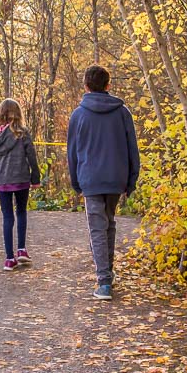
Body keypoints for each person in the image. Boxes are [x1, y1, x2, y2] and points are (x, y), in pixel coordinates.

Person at [67, 65, 140, 300]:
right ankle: (107, 273)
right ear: (108, 85)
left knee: (98, 227)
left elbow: (72, 153)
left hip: (91, 177)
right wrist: (131, 180)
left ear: (86, 86)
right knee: (109, 223)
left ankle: (104, 281)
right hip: (115, 177)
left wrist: (76, 180)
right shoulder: (122, 113)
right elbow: (132, 150)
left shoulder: (78, 115)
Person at [0, 99, 41, 271]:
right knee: (22, 211)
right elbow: (31, 155)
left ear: (0, 114)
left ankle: (9, 259)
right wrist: (35, 177)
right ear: (18, 113)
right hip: (21, 177)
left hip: (3, 178)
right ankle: (22, 249)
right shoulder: (22, 132)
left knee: (7, 217)